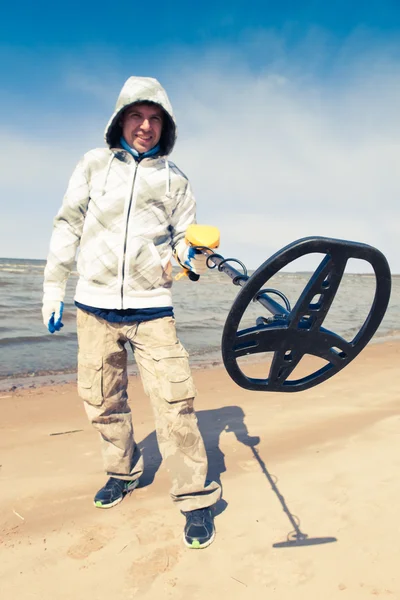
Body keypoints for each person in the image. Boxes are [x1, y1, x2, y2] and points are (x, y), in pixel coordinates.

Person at [42, 76, 221, 549]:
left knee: (175, 403)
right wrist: (53, 287)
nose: (146, 126)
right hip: (94, 306)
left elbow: (186, 241)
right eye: (137, 116)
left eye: (155, 118)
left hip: (152, 308)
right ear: (120, 119)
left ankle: (195, 497)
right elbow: (68, 224)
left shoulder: (175, 178)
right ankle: (122, 473)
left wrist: (197, 257)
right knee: (103, 400)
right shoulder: (93, 165)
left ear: (166, 125)